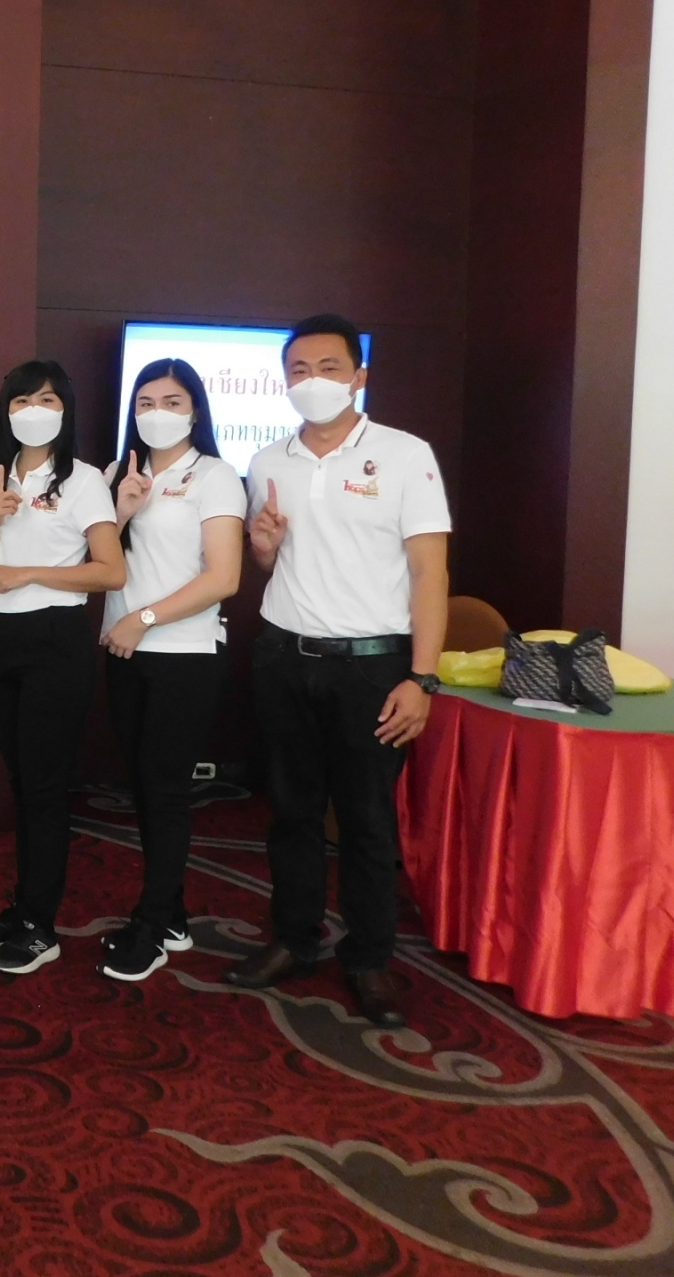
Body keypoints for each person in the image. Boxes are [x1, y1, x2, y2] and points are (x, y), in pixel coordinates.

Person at [228, 313, 449, 1028]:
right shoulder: (268, 460)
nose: (313, 381)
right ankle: (294, 939)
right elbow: (269, 563)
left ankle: (369, 957)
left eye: (328, 367)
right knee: (290, 810)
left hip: (373, 667)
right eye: (299, 370)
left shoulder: (405, 455)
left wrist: (422, 678)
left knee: (366, 818)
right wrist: (264, 548)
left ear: (359, 376)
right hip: (284, 655)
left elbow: (431, 574)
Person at [0, 360, 127, 975]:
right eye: (23, 400)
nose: (34, 410)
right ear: (6, 410)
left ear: (66, 410)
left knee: (44, 786)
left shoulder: (83, 479)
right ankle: (24, 906)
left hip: (55, 639)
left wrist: (32, 572)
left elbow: (111, 570)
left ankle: (40, 925)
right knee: (22, 781)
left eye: (48, 400)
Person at [96, 360, 244, 982]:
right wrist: (121, 510)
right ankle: (173, 912)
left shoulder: (215, 476)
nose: (158, 413)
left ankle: (153, 925)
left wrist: (145, 618)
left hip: (184, 654)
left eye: (173, 402)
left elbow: (224, 577)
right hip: (124, 651)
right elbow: (94, 559)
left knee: (165, 789)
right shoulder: (117, 473)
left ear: (195, 411)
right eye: (146, 402)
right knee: (144, 786)